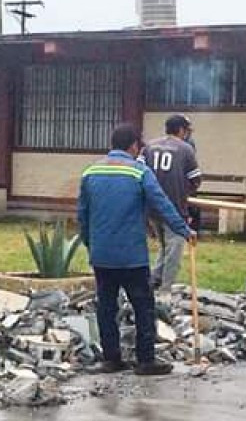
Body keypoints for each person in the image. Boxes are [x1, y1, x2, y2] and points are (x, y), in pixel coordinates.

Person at [78, 123, 195, 375]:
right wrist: (184, 230)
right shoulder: (139, 172)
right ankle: (145, 361)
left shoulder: (90, 172)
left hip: (102, 255)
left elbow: (83, 215)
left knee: (106, 307)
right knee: (143, 306)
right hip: (132, 256)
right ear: (133, 146)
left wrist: (91, 244)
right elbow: (162, 204)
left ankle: (111, 359)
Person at [141, 114, 202, 291]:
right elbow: (195, 179)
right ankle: (165, 289)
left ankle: (154, 279)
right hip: (174, 207)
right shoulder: (186, 149)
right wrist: (186, 192)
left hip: (151, 207)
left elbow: (138, 171)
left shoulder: (149, 147)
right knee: (174, 249)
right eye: (187, 131)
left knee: (164, 246)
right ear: (182, 130)